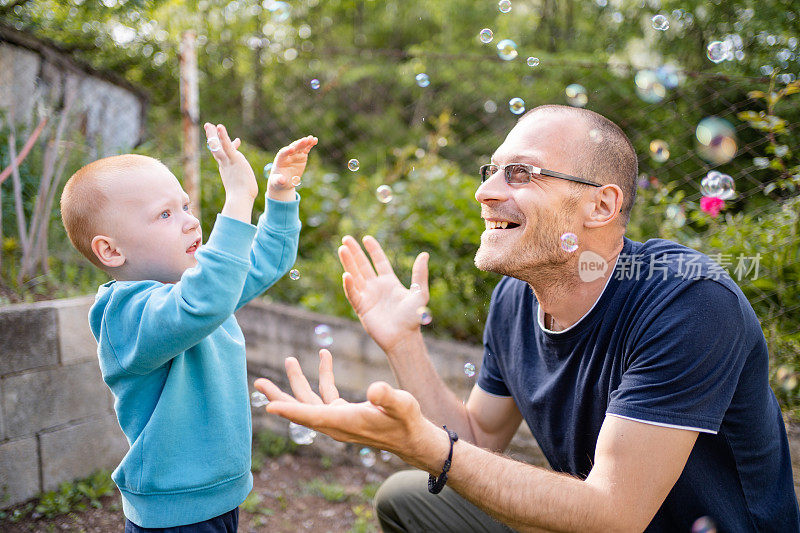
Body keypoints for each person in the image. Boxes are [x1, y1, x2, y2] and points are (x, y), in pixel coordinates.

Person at [255, 105, 799, 532]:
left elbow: (614, 514)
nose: (484, 191)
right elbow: (477, 438)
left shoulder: (687, 300)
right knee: (408, 499)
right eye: (491, 171)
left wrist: (424, 446)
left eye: (520, 174)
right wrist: (402, 343)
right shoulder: (516, 299)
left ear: (602, 207)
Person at [60, 123, 317, 531]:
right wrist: (236, 199)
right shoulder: (126, 314)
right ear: (111, 250)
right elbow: (204, 300)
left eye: (185, 206)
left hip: (222, 496)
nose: (190, 222)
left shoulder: (196, 287)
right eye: (165, 214)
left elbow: (268, 261)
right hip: (172, 514)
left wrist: (280, 194)